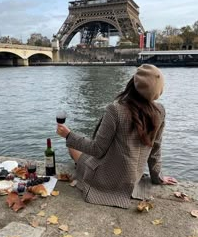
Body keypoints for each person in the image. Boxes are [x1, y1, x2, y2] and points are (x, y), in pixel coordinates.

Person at [57, 64, 177, 208]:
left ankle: (78, 162)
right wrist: (157, 177)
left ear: (133, 82)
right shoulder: (160, 111)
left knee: (72, 146)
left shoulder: (116, 110)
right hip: (133, 180)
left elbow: (97, 150)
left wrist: (68, 135)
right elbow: (155, 148)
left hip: (106, 179)